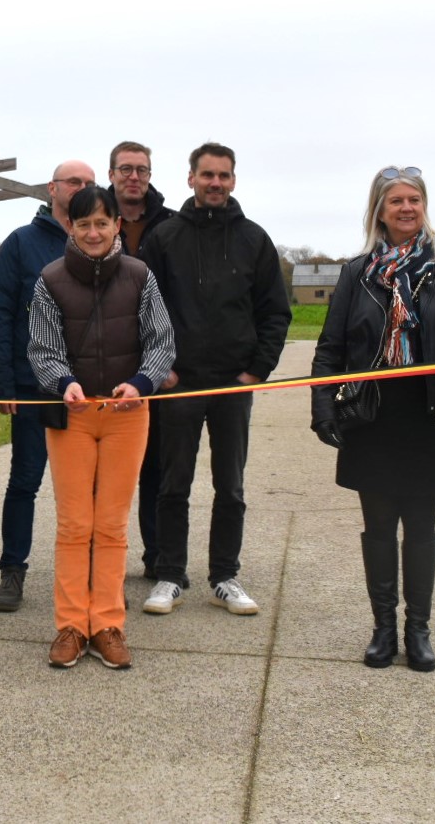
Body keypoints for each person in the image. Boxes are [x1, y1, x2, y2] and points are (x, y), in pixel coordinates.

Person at [310, 166, 435, 673]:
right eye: (396, 202)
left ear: (424, 207)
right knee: (379, 527)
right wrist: (324, 408)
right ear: (379, 212)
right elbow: (331, 348)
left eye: (414, 200)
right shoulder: (356, 273)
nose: (407, 209)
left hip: (429, 415)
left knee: (423, 528)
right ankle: (383, 628)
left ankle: (419, 630)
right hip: (374, 417)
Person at [139, 143, 291, 618]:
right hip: (179, 383)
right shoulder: (164, 238)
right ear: (190, 179)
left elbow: (275, 313)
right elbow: (142, 308)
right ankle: (169, 574)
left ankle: (224, 576)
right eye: (207, 175)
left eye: (224, 175)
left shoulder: (254, 239)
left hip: (232, 384)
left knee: (231, 486)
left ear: (233, 180)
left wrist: (255, 371)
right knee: (173, 484)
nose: (215, 183)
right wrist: (159, 367)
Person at [28, 185, 176, 669]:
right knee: (75, 525)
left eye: (102, 223)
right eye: (83, 223)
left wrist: (141, 382)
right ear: (70, 226)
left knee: (110, 525)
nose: (93, 232)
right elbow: (42, 348)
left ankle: (108, 624)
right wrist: (62, 381)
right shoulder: (49, 279)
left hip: (127, 418)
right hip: (71, 416)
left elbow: (161, 341)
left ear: (116, 225)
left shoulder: (140, 275)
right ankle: (71, 625)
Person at [0, 159, 96, 613]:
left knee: (87, 487)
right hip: (33, 387)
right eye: (74, 181)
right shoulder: (22, 244)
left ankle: (90, 569)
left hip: (88, 391)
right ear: (52, 188)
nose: (82, 187)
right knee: (25, 481)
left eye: (89, 182)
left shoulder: (99, 240)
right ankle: (13, 569)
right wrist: (2, 382)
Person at [106, 140, 176, 579]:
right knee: (105, 478)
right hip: (103, 366)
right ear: (111, 173)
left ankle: (157, 560)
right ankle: (102, 560)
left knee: (156, 471)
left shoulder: (170, 225)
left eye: (142, 170)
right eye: (126, 169)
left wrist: (165, 362)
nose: (134, 177)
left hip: (156, 371)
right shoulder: (91, 217)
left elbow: (179, 298)